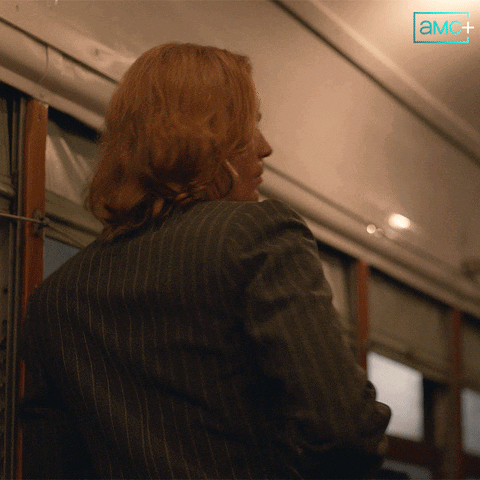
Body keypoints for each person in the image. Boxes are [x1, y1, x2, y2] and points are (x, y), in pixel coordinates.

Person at [20, 43, 391, 479]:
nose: (265, 148)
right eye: (249, 126)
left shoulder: (54, 300)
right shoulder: (256, 235)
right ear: (201, 139)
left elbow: (52, 464)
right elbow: (343, 427)